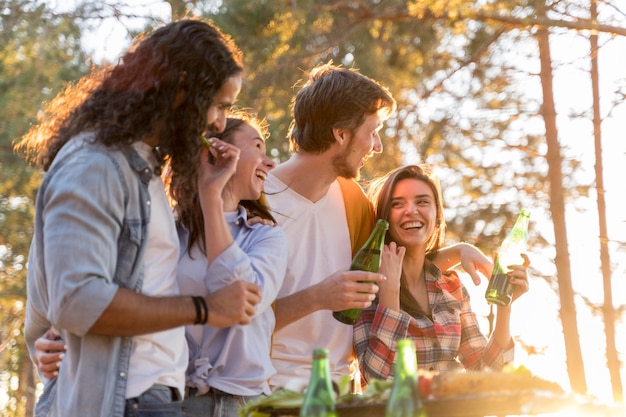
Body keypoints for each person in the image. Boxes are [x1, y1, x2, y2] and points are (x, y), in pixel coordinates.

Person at [16, 19, 262, 417]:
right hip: (126, 402)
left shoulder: (139, 169)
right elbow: (75, 300)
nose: (219, 123)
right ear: (182, 90)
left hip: (151, 397)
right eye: (219, 105)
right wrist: (205, 307)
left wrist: (211, 191)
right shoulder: (95, 166)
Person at [264, 63, 495, 392]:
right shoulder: (255, 200)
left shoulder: (351, 199)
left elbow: (395, 266)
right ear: (341, 134)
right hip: (265, 393)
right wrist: (317, 297)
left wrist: (457, 251)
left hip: (339, 396)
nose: (378, 146)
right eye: (372, 132)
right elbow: (229, 322)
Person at [353, 165, 530, 384]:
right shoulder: (366, 286)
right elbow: (377, 380)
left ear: (437, 216)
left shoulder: (451, 286)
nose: (410, 210)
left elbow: (489, 376)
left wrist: (505, 306)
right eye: (397, 204)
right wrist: (389, 292)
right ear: (384, 218)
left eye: (422, 202)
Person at [174, 113, 287, 416]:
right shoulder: (169, 232)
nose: (270, 162)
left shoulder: (266, 237)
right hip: (171, 401)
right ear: (216, 151)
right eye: (258, 147)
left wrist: (213, 197)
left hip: (242, 404)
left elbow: (242, 301)